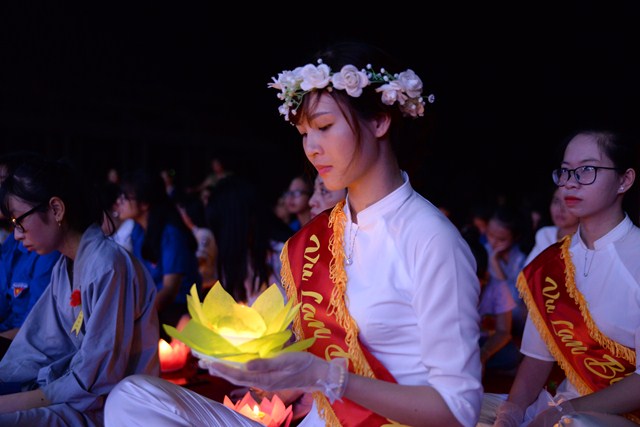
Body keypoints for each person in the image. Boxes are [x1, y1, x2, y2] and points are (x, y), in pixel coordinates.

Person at [105, 41, 483, 427]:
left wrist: (331, 378)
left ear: (379, 121)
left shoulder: (431, 240)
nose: (312, 148)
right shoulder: (317, 237)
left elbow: (457, 411)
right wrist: (257, 362)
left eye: (324, 127)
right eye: (304, 133)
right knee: (131, 398)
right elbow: (298, 357)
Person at [490, 130, 640, 426]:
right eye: (565, 171)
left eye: (587, 169)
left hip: (615, 418)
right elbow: (537, 359)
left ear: (624, 180)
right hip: (561, 407)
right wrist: (511, 412)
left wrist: (564, 411)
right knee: (464, 409)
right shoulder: (549, 263)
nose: (570, 182)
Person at [0, 157, 159, 426]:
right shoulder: (64, 268)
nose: (16, 235)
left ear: (56, 209)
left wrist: (8, 402)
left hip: (111, 410)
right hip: (76, 400)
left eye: (19, 221)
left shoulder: (108, 265)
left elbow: (96, 380)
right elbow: (40, 345)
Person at [116, 168, 201, 341]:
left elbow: (169, 291)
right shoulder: (138, 231)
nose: (119, 202)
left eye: (125, 197)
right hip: (155, 306)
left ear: (144, 203)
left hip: (179, 309)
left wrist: (134, 317)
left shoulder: (170, 234)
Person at [0, 152, 60, 356]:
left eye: (2, 182)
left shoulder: (46, 248)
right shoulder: (12, 243)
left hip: (26, 351)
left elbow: (34, 329)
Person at [523, 186, 579, 266]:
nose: (560, 209)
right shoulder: (545, 234)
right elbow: (528, 271)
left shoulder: (585, 243)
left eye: (568, 203)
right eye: (556, 201)